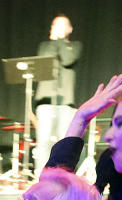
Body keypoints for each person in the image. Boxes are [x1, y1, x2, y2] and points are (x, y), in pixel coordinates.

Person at [33, 14, 83, 173]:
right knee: (44, 141)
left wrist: (60, 41)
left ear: (69, 29)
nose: (58, 28)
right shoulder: (44, 46)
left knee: (65, 140)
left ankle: (63, 176)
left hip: (66, 102)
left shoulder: (75, 45)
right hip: (45, 101)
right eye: (55, 25)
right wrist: (55, 42)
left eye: (62, 25)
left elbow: (68, 59)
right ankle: (41, 177)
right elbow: (43, 61)